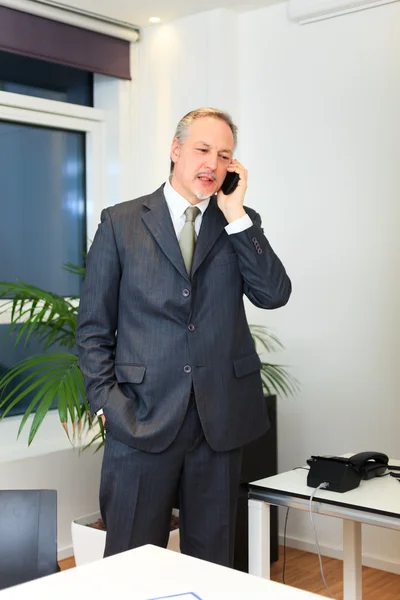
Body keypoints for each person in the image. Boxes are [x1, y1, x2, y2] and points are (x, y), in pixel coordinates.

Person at [76, 107, 291, 567]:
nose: (213, 163)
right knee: (130, 565)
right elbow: (93, 328)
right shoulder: (121, 222)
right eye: (202, 149)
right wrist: (106, 404)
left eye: (225, 155)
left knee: (211, 565)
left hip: (219, 424)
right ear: (176, 151)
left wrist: (235, 214)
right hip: (140, 418)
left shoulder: (238, 222)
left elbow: (273, 295)